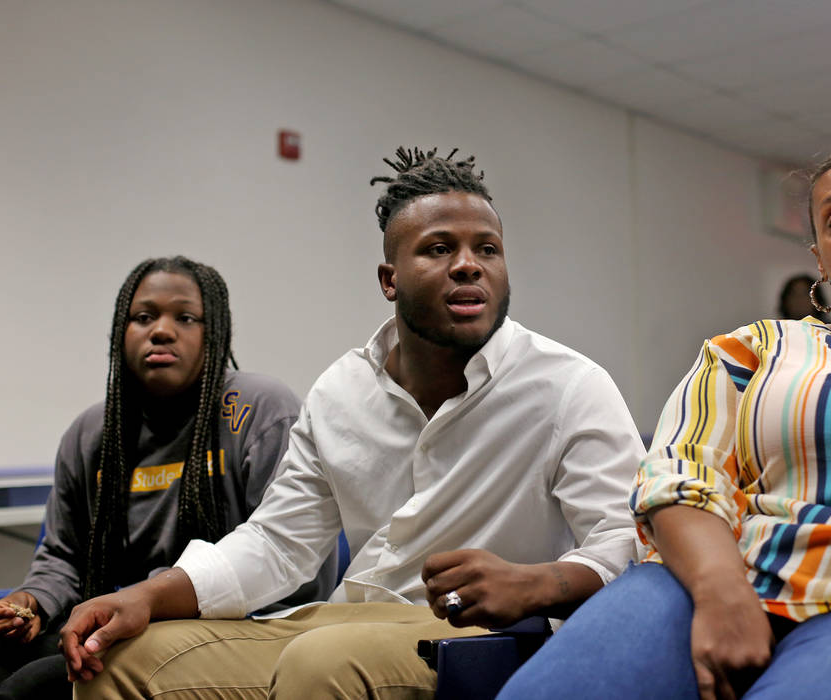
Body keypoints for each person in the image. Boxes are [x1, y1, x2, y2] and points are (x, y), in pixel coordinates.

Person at [61, 147, 644, 698]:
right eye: (439, 249)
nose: (468, 265)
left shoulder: (569, 385)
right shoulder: (343, 390)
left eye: (487, 249)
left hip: (489, 635)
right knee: (120, 658)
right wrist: (148, 595)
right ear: (390, 280)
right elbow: (278, 543)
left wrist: (537, 584)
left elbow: (628, 540)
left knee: (322, 662)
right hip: (345, 621)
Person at [498, 143, 831, 700]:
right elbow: (680, 473)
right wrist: (722, 593)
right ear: (821, 258)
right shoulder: (756, 348)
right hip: (710, 580)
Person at [0, 256, 335, 700]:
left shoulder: (259, 410)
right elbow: (65, 557)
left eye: (185, 317)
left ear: (215, 333)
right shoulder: (92, 433)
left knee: (29, 691)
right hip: (124, 622)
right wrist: (32, 602)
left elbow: (295, 564)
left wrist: (152, 595)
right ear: (119, 334)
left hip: (242, 628)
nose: (161, 330)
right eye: (143, 317)